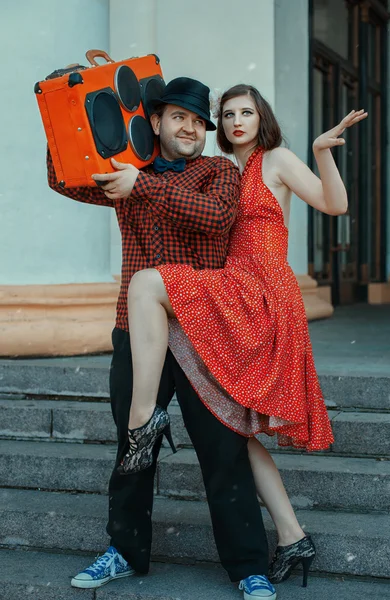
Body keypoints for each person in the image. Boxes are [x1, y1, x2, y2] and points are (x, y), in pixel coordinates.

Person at [101, 85, 368, 590]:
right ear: (217, 125)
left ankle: (144, 416)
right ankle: (292, 536)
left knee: (150, 282)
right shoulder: (225, 171)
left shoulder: (277, 159)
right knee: (234, 424)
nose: (237, 121)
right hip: (229, 295)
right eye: (228, 115)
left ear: (261, 116)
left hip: (260, 291)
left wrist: (318, 154)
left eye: (246, 112)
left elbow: (334, 205)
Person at [47, 77, 277, 599]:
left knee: (224, 453)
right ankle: (123, 552)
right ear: (155, 122)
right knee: (134, 444)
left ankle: (249, 567)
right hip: (136, 334)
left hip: (203, 335)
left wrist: (142, 185)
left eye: (199, 121)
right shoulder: (131, 169)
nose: (191, 128)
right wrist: (63, 109)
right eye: (180, 117)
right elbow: (64, 179)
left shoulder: (217, 171)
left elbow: (216, 217)